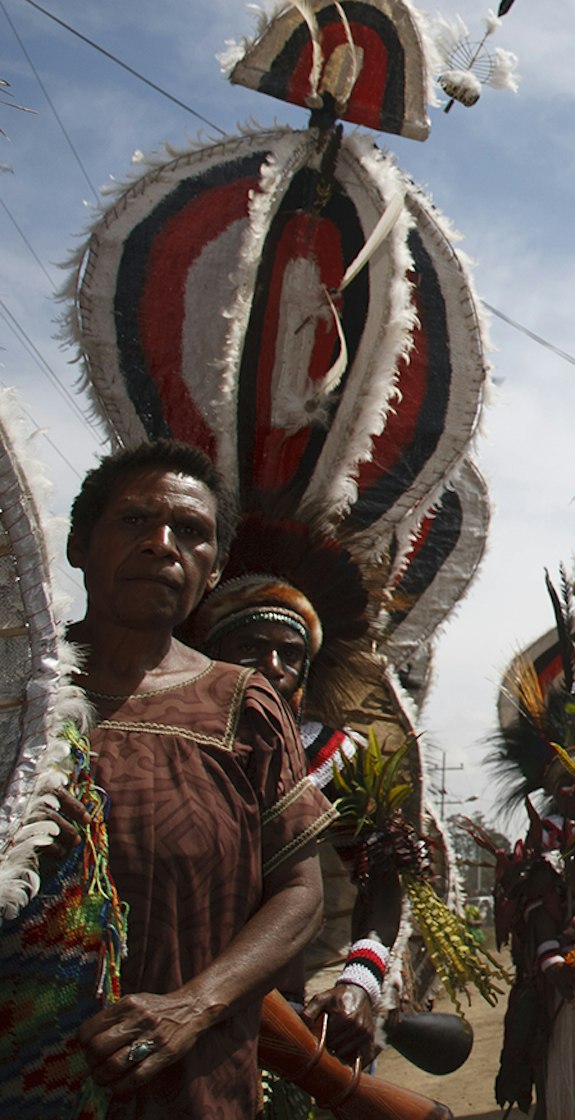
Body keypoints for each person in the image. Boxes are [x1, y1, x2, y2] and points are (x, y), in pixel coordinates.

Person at [62, 439, 332, 1117]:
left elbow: (300, 892)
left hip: (198, 1089)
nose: (162, 545)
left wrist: (192, 1005)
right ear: (77, 545)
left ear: (212, 570)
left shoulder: (243, 705)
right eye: (133, 521)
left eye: (192, 533)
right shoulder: (18, 692)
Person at [187, 563, 403, 1071]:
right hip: (190, 1004)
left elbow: (379, 881)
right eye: (250, 647)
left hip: (318, 1011)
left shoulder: (336, 756)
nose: (273, 664)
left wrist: (359, 984)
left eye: (291, 653)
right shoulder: (173, 748)